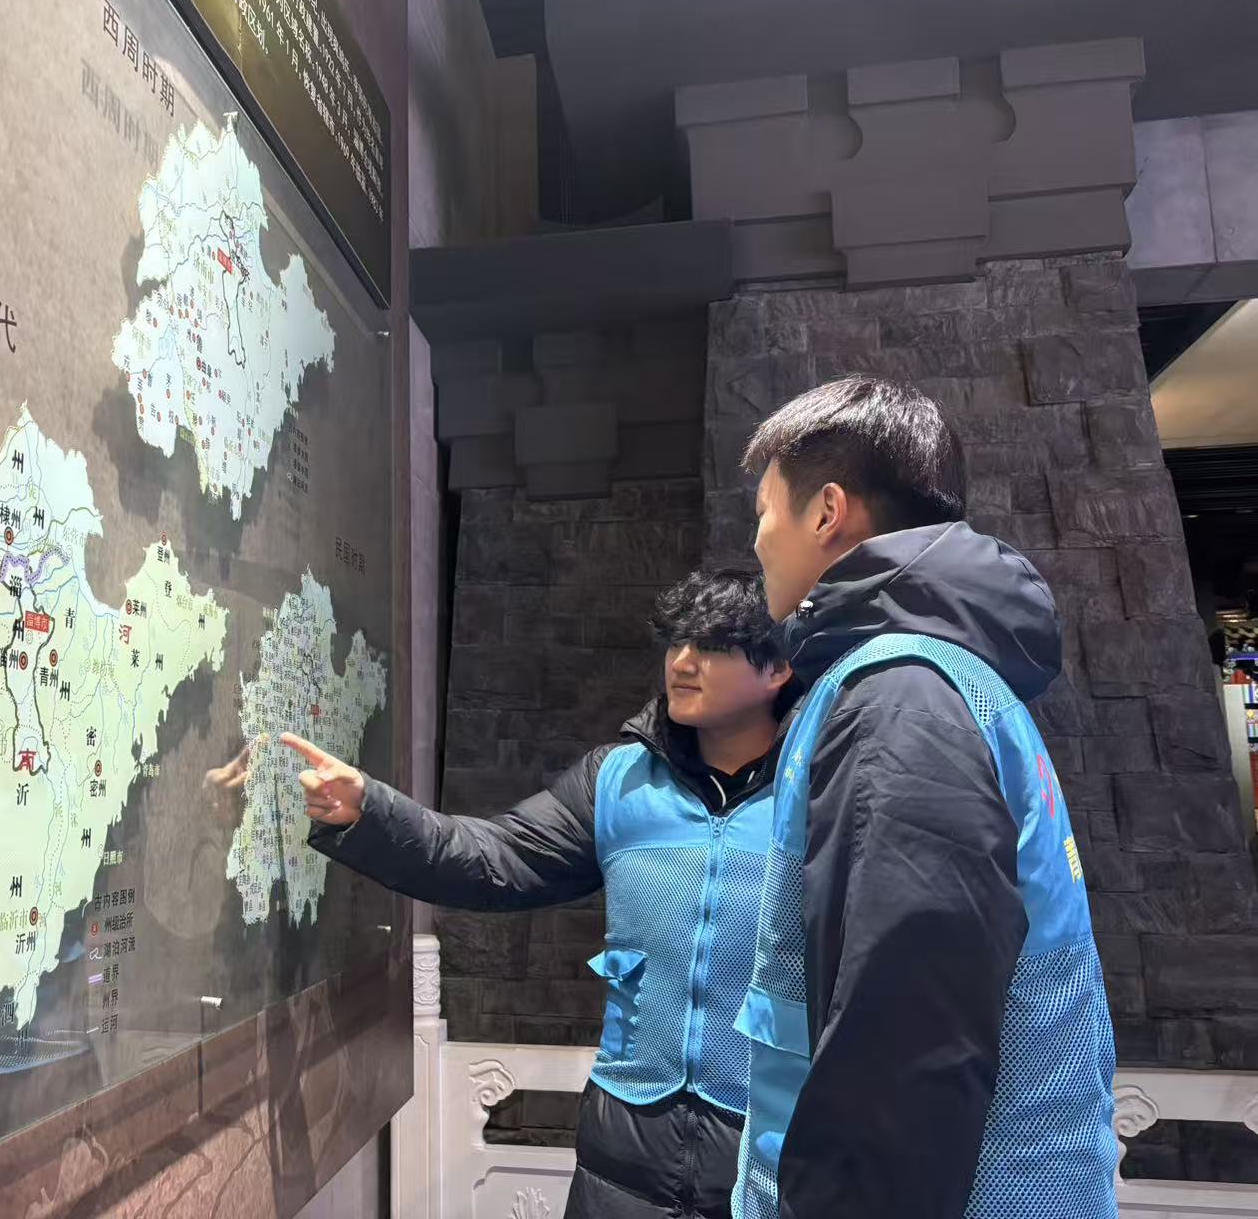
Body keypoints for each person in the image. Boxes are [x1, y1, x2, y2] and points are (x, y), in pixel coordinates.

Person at [279, 571, 797, 1219]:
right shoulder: (617, 781)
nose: (682, 663)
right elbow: (495, 857)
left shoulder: (821, 788)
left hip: (771, 1150)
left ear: (778, 668)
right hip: (624, 1145)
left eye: (713, 646)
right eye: (675, 641)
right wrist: (369, 812)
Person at [734, 376, 1118, 1219]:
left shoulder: (898, 699)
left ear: (826, 512)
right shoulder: (946, 681)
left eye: (763, 511)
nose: (756, 539)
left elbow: (900, 1061)